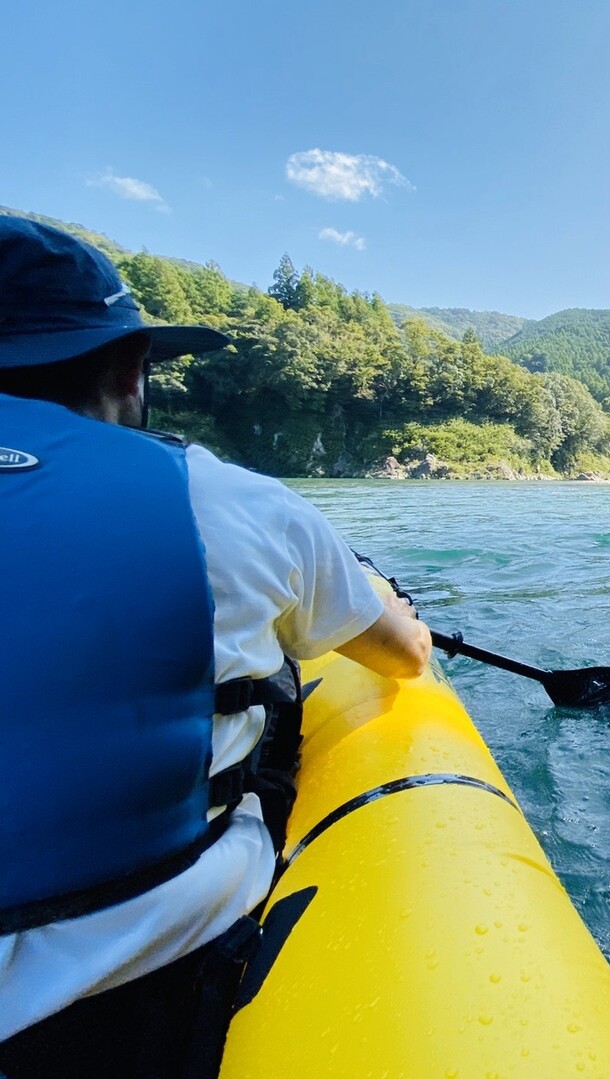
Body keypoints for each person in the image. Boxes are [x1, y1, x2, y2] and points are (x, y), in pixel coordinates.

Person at [0, 216, 432, 1076]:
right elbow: (402, 657)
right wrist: (394, 605)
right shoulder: (232, 502)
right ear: (130, 369)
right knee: (273, 709)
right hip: (145, 979)